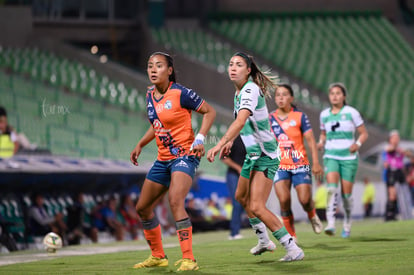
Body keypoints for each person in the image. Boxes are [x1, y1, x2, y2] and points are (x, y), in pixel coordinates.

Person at [207, 52, 304, 262]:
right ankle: (264, 241)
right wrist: (231, 142)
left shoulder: (250, 89)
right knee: (241, 197)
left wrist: (220, 143)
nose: (232, 67)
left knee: (257, 206)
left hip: (266, 155)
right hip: (253, 155)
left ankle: (292, 248)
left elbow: (241, 121)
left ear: (248, 70)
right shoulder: (238, 93)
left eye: (239, 65)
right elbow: (245, 127)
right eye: (231, 64)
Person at [130, 52, 216, 271]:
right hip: (163, 159)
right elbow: (157, 124)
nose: (153, 70)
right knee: (142, 208)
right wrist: (141, 144)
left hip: (185, 156)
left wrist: (200, 138)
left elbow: (209, 111)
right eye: (150, 66)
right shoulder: (150, 95)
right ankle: (158, 256)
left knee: (175, 200)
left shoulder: (180, 93)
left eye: (158, 66)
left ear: (169, 71)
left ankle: (189, 259)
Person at [269, 84, 324, 241]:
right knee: (284, 200)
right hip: (279, 165)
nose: (280, 97)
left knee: (305, 200)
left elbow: (311, 140)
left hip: (300, 164)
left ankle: (312, 214)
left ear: (291, 98)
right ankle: (291, 236)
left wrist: (316, 163)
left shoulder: (300, 116)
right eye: (278, 95)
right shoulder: (270, 118)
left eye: (284, 94)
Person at [317, 83, 368, 238]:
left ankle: (347, 223)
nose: (334, 96)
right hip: (331, 155)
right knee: (331, 189)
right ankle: (331, 224)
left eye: (338, 93)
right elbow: (323, 133)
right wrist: (321, 142)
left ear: (343, 96)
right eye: (332, 93)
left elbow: (364, 133)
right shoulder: (324, 114)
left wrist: (357, 144)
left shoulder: (351, 112)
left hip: (349, 157)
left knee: (346, 195)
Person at [383, 130, 412, 221]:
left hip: (400, 172)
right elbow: (389, 149)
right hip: (392, 171)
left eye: (397, 138)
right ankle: (389, 215)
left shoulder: (401, 149)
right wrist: (398, 149)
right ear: (390, 139)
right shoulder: (388, 147)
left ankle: (405, 213)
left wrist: (406, 153)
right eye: (394, 138)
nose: (396, 139)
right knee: (392, 194)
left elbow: (409, 155)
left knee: (404, 192)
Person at [221, 135, 246, 240]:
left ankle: (258, 230)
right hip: (234, 174)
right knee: (237, 201)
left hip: (246, 174)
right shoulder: (234, 138)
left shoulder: (251, 138)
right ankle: (234, 232)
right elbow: (224, 158)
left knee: (247, 202)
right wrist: (238, 168)